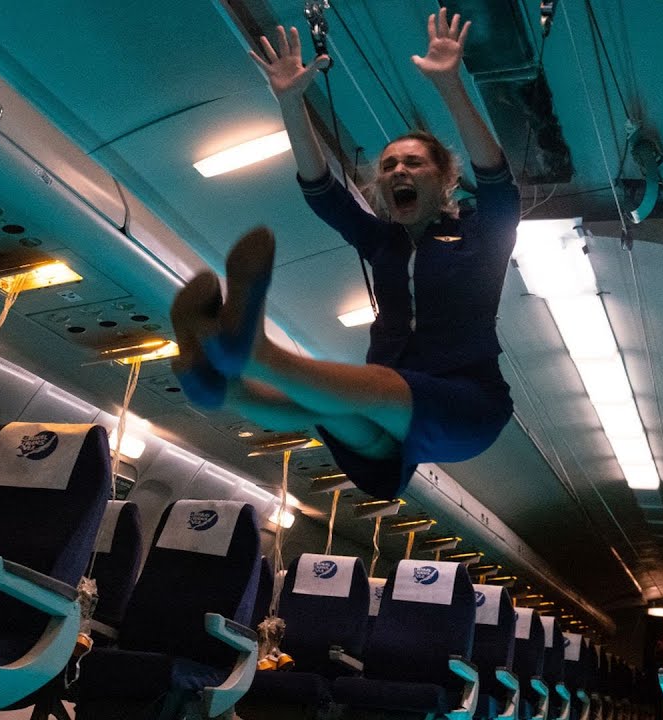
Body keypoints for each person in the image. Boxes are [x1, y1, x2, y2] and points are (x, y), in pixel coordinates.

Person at [171, 9, 520, 500]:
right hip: (387, 410)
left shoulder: (482, 236)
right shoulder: (383, 242)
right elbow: (323, 193)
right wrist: (291, 102)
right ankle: (220, 385)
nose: (398, 171)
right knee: (316, 406)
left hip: (466, 405)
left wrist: (450, 85)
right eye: (389, 165)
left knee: (372, 384)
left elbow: (498, 184)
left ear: (444, 179)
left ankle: (253, 353)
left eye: (413, 163)